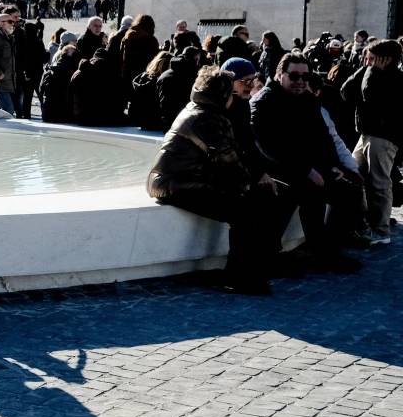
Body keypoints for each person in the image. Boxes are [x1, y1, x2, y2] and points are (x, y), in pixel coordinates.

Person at [147, 66, 287, 296]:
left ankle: (254, 268)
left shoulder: (204, 111)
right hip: (176, 183)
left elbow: (229, 159)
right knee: (244, 211)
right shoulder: (205, 118)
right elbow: (227, 160)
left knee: (258, 200)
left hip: (186, 179)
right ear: (222, 95)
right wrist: (249, 185)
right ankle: (238, 277)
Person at [251, 53, 361, 271]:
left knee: (349, 190)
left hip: (308, 165)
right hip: (276, 168)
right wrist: (306, 170)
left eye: (305, 77)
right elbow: (269, 147)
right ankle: (277, 254)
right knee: (303, 190)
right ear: (280, 75)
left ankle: (325, 248)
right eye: (293, 76)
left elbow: (322, 138)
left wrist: (333, 166)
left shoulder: (307, 100)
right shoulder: (264, 101)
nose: (300, 81)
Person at [342, 39, 402, 243]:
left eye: (372, 58)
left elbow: (370, 97)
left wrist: (371, 72)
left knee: (379, 182)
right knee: (353, 173)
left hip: (383, 137)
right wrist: (365, 69)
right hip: (367, 133)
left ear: (386, 59)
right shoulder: (371, 73)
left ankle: (381, 229)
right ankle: (365, 221)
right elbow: (346, 91)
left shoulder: (394, 79)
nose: (368, 61)